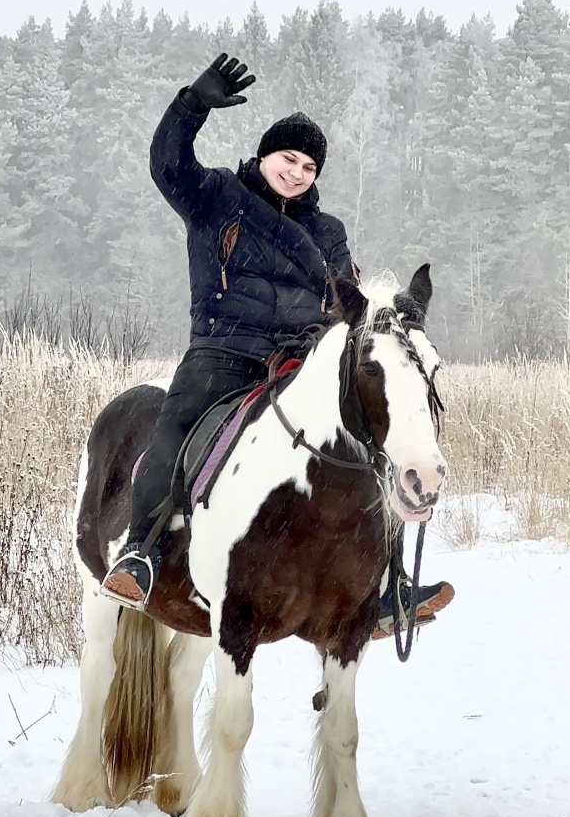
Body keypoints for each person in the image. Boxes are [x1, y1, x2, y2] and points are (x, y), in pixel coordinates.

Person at [101, 53, 453, 633]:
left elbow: (348, 302)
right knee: (176, 423)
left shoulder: (328, 232)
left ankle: (388, 584)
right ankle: (139, 551)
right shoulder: (214, 196)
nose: (296, 172)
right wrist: (190, 107)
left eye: (309, 166)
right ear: (264, 156)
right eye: (287, 159)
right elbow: (168, 165)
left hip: (299, 361)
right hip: (223, 351)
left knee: (364, 444)